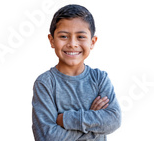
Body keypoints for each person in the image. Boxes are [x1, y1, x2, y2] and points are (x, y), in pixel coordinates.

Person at [32, 4, 121, 141]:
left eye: (80, 37)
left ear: (92, 42)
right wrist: (94, 124)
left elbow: (113, 120)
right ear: (52, 41)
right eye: (63, 36)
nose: (73, 44)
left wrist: (66, 120)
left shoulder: (100, 79)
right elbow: (47, 136)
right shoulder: (45, 83)